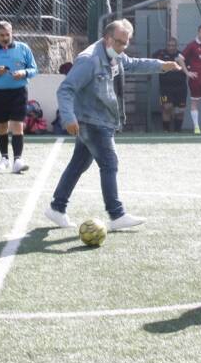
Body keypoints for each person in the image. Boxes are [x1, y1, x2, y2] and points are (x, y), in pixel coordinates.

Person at [46, 20, 182, 230]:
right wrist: (68, 117)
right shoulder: (89, 60)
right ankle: (116, 214)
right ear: (108, 38)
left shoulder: (115, 54)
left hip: (101, 120)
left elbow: (132, 63)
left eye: (125, 44)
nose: (122, 48)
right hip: (92, 122)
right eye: (119, 43)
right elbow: (65, 89)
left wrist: (160, 66)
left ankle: (57, 208)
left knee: (78, 164)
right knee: (109, 164)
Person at [0, 21, 37, 173]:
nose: (5, 38)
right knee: (1, 126)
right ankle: (4, 158)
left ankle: (18, 159)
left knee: (18, 125)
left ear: (12, 34)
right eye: (2, 35)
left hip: (19, 92)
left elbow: (34, 69)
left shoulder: (23, 48)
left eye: (8, 35)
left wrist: (23, 73)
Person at [152, 37, 187, 132]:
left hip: (181, 87)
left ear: (176, 46)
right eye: (169, 45)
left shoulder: (182, 56)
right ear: (166, 46)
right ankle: (166, 130)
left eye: (173, 46)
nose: (171, 48)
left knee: (180, 111)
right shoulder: (160, 54)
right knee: (167, 107)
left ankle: (177, 131)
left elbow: (187, 69)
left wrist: (180, 69)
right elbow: (150, 62)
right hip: (165, 88)